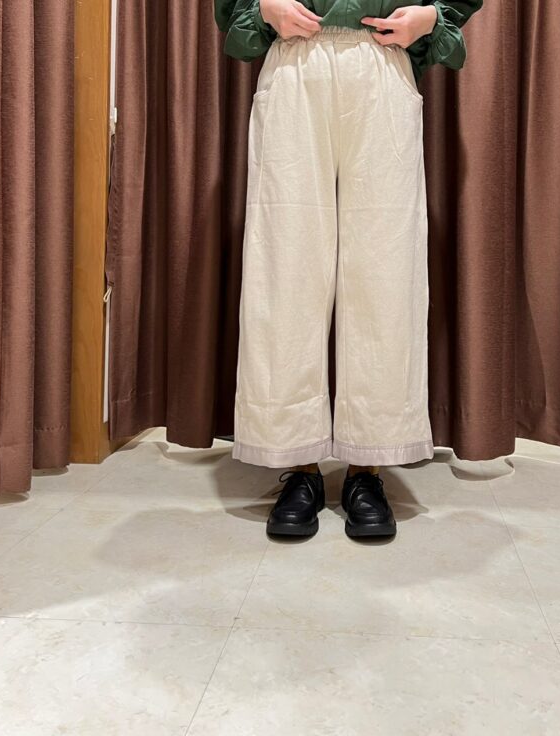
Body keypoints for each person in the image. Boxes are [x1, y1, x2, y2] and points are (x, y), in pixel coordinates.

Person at [214, 0, 482, 540]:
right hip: (295, 63)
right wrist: (263, 8)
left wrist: (432, 17)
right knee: (285, 269)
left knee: (385, 272)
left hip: (381, 61)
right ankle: (298, 463)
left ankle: (369, 465)